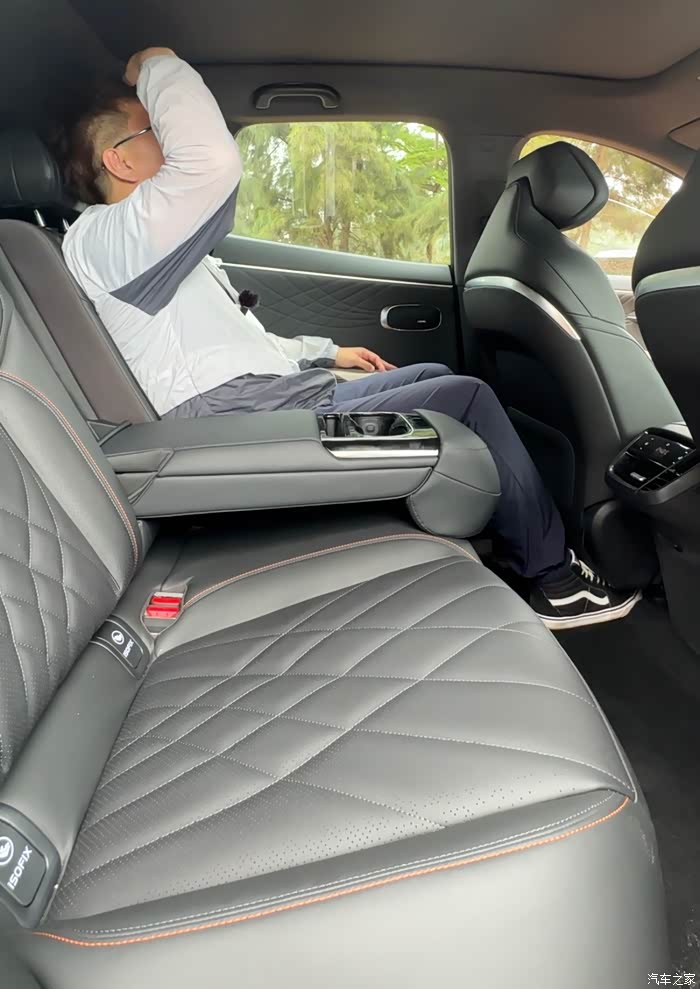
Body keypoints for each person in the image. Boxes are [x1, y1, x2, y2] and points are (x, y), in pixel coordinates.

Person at [61, 48, 641, 630]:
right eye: (153, 129)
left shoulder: (146, 247)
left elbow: (231, 343)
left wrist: (326, 352)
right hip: (232, 419)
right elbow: (210, 161)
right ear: (119, 159)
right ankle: (554, 581)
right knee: (465, 398)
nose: (167, 137)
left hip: (265, 397)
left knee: (437, 379)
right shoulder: (109, 238)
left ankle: (518, 546)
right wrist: (156, 64)